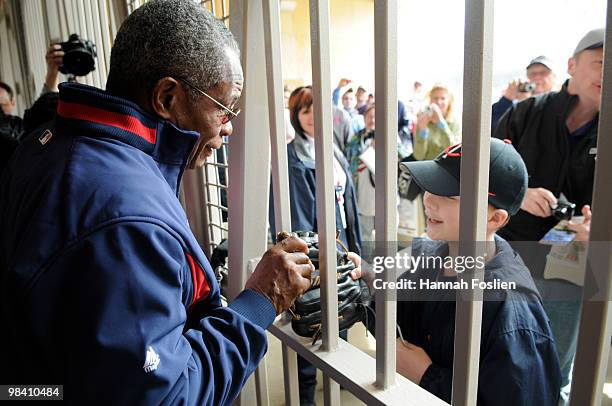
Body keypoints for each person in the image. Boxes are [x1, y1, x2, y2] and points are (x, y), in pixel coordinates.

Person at [0, 1, 316, 404]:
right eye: (223, 108)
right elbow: (167, 396)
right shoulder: (128, 218)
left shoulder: (48, 143)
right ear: (167, 97)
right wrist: (259, 302)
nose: (231, 125)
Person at [355, 138, 562, 405]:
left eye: (450, 195)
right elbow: (400, 319)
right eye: (431, 185)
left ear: (494, 218)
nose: (429, 198)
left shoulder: (510, 309)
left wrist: (426, 376)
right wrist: (365, 287)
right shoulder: (433, 258)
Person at [493, 28, 603, 406]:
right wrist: (520, 196)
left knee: (558, 363)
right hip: (512, 253)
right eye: (600, 63)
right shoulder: (526, 113)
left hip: (575, 264)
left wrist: (598, 229)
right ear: (572, 65)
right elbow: (484, 169)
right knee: (499, 349)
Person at [270, 85, 362, 406]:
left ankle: (339, 382)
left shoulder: (331, 150)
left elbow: (347, 205)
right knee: (311, 327)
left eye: (317, 109)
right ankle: (306, 397)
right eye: (304, 110)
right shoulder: (292, 158)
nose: (311, 117)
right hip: (317, 259)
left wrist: (353, 249)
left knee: (343, 316)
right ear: (295, 116)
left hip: (341, 247)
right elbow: (297, 225)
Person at [491, 55, 556, 132]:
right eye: (533, 74)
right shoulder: (517, 102)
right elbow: (492, 126)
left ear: (554, 76)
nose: (537, 77)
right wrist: (507, 100)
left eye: (543, 73)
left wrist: (527, 103)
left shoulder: (559, 100)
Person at [413, 84, 460, 161]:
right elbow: (418, 156)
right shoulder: (423, 120)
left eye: (443, 98)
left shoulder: (454, 122)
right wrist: (423, 131)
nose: (438, 102)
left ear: (449, 101)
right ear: (430, 100)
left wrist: (441, 124)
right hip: (427, 166)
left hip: (447, 166)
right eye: (435, 98)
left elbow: (453, 151)